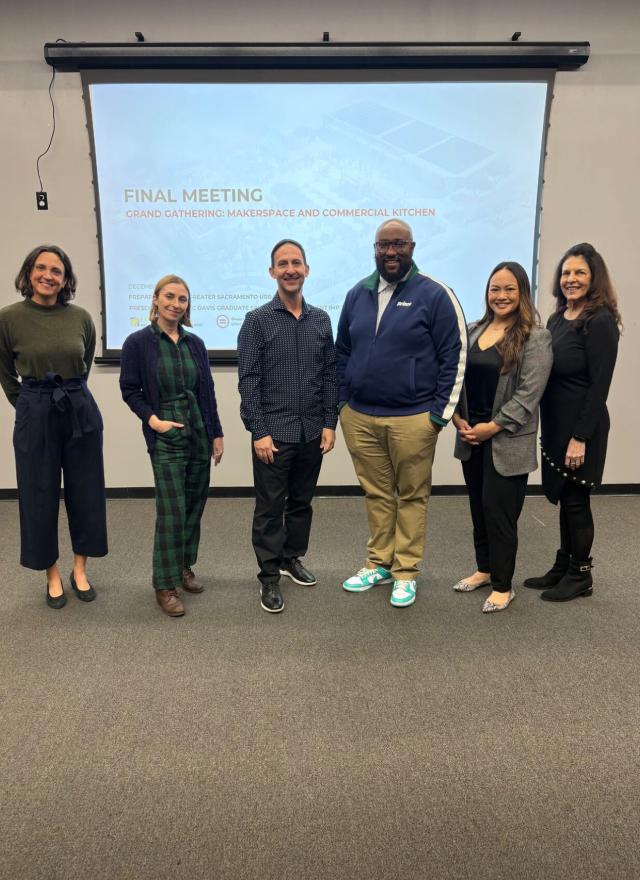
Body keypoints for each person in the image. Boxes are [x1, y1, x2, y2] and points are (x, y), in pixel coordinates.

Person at [336, 220, 466, 607]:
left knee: (411, 495)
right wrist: (343, 403)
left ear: (412, 247)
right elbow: (342, 351)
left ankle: (406, 571)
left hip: (413, 418)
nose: (390, 252)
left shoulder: (436, 294)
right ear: (374, 249)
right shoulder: (356, 294)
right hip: (360, 417)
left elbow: (455, 356)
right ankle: (379, 563)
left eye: (398, 245)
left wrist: (438, 416)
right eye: (383, 246)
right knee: (377, 494)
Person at [0, 245, 107, 609]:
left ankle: (80, 569)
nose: (48, 275)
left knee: (86, 491)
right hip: (36, 409)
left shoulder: (80, 317)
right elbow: (6, 374)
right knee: (38, 493)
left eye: (57, 270)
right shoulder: (8, 318)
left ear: (65, 279)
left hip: (78, 408)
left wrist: (67, 399)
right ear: (29, 272)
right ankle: (52, 574)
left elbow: (84, 364)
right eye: (41, 268)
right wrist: (31, 406)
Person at [237, 239, 337, 614]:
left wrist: (330, 423)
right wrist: (258, 431)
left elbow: (330, 376)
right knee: (269, 509)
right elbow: (248, 381)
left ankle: (292, 558)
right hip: (273, 435)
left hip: (311, 430)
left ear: (307, 270)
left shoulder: (322, 320)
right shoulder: (257, 321)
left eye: (296, 262)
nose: (290, 269)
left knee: (301, 504)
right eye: (283, 264)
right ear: (272, 272)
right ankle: (268, 578)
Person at [120, 275, 224, 617]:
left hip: (197, 431)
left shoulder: (195, 344)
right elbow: (130, 389)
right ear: (155, 299)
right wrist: (153, 421)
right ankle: (163, 584)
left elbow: (207, 390)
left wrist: (216, 434)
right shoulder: (138, 343)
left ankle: (183, 566)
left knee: (194, 503)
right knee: (172, 510)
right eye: (170, 296)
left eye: (182, 299)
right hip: (166, 434)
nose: (176, 304)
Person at [452, 262, 552, 612]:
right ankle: (484, 569)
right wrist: (458, 420)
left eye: (509, 289)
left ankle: (503, 585)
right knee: (479, 510)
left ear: (522, 292)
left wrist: (491, 427)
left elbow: (529, 394)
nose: (501, 295)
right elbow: (457, 380)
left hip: (505, 440)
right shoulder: (473, 329)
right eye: (495, 288)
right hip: (470, 437)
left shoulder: (535, 336)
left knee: (500, 514)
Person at [524, 243, 621, 601]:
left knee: (577, 501)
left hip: (583, 428)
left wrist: (580, 436)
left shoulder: (600, 321)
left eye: (579, 272)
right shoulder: (556, 318)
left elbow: (600, 386)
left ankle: (581, 575)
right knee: (565, 498)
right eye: (566, 273)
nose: (571, 279)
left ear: (594, 278)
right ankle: (564, 564)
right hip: (556, 426)